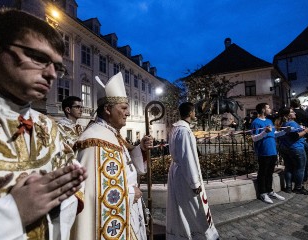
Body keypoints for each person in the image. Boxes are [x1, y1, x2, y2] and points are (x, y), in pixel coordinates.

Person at [0, 9, 87, 239]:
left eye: (58, 67)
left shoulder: (49, 127)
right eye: (39, 58)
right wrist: (12, 213)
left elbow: (76, 194)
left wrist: (66, 195)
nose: (52, 74)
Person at [71, 72, 153, 240]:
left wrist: (141, 149)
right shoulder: (94, 140)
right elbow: (95, 193)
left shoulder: (111, 134)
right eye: (123, 108)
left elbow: (125, 163)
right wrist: (130, 193)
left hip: (129, 210)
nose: (128, 113)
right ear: (108, 109)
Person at [166, 102, 219, 240]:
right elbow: (187, 157)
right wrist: (195, 183)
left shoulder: (176, 128)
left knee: (183, 207)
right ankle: (202, 236)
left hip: (178, 172)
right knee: (194, 207)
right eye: (194, 112)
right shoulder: (183, 131)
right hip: (185, 175)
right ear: (190, 113)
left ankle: (184, 234)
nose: (195, 114)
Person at [251, 103, 289, 204]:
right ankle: (262, 193)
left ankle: (269, 191)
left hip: (272, 150)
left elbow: (274, 134)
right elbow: (254, 138)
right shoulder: (255, 122)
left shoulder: (269, 121)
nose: (270, 109)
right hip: (263, 151)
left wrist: (285, 132)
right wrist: (264, 132)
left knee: (269, 172)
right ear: (263, 110)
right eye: (268, 108)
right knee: (263, 173)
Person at [276, 108, 308, 195]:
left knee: (288, 167)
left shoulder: (283, 123)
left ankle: (288, 187)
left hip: (285, 148)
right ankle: (298, 188)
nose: (295, 112)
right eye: (292, 112)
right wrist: (305, 131)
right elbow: (294, 136)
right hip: (296, 148)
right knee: (300, 168)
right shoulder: (291, 123)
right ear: (288, 115)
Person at [290, 98, 308, 183]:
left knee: (293, 160)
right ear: (299, 104)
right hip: (305, 138)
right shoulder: (305, 113)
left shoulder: (290, 114)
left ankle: (293, 178)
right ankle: (304, 178)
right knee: (305, 160)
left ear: (291, 105)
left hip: (292, 139)